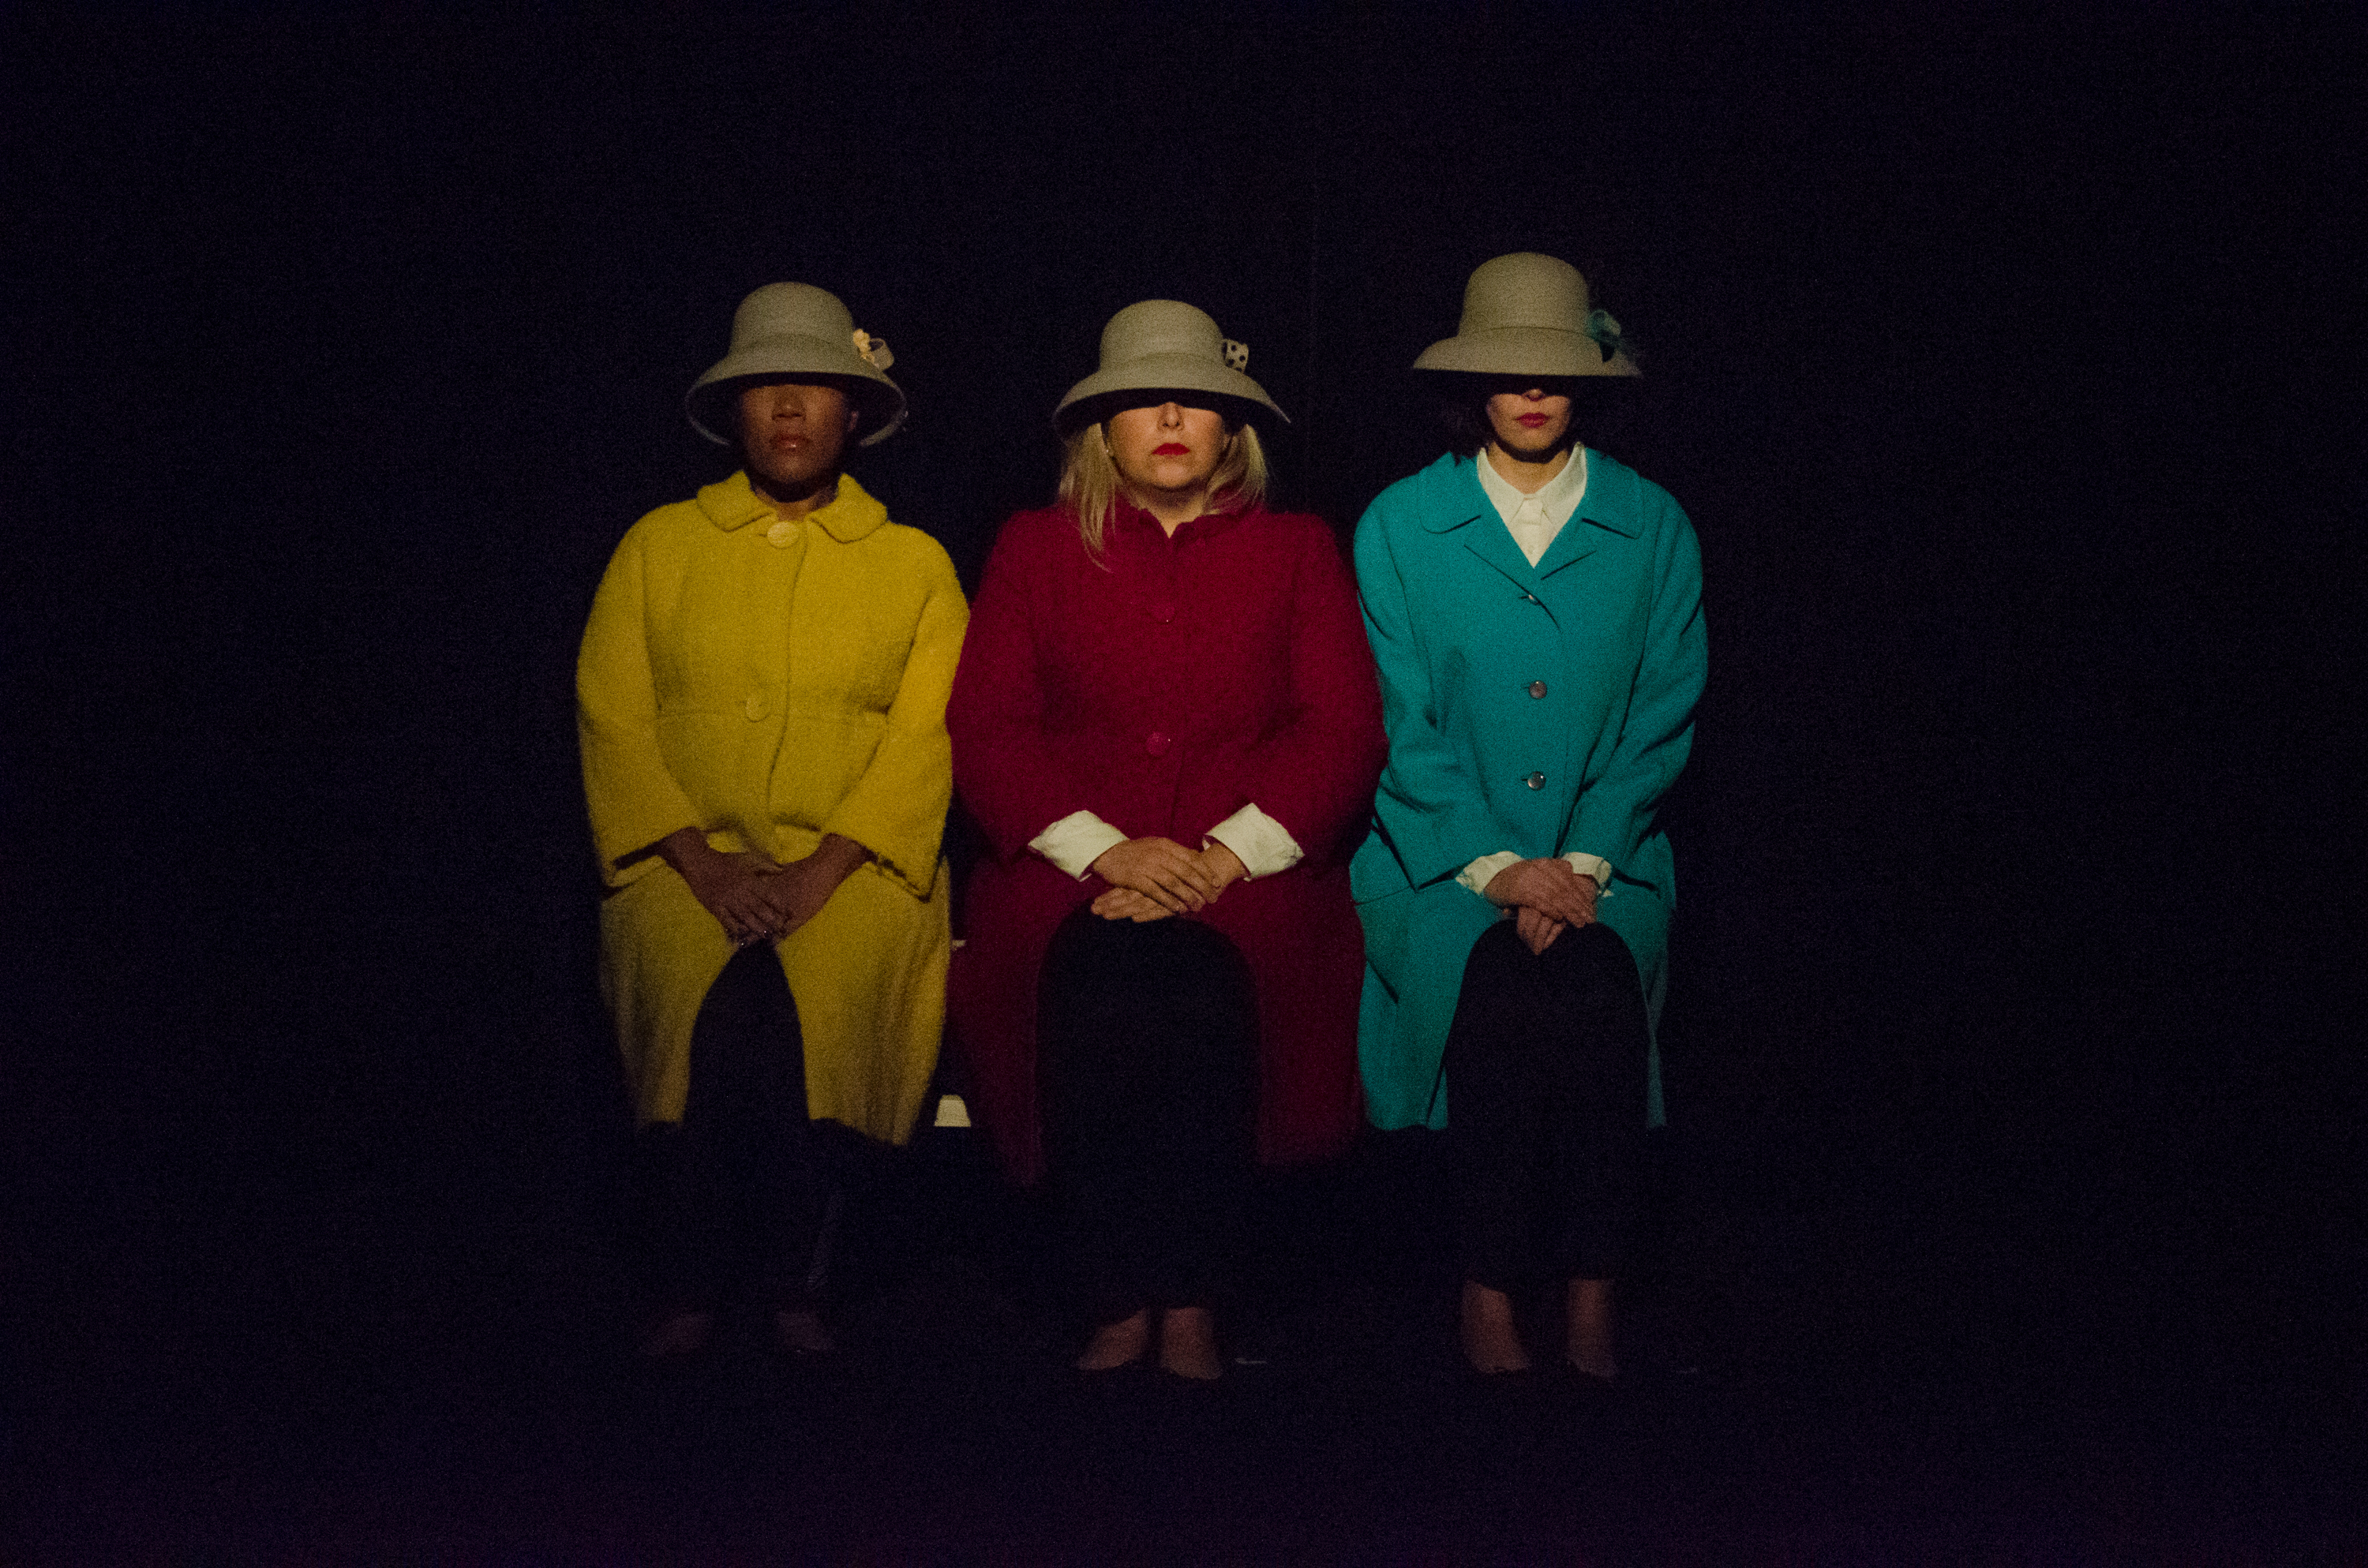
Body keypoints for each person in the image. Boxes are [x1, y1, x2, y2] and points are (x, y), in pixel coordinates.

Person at [949, 301, 1386, 1379]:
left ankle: (1192, 1298)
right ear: (1102, 432)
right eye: (1145, 401)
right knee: (1094, 992)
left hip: (1247, 871)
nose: (1174, 418)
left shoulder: (1297, 549)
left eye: (1198, 400)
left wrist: (1222, 858)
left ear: (1235, 428)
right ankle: (1114, 1293)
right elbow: (989, 726)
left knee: (1205, 1006)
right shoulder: (1035, 547)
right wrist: (1108, 852)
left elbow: (1341, 729)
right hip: (1075, 869)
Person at [577, 283, 968, 1359]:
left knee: (808, 1033)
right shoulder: (657, 545)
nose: (791, 407)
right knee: (706, 1031)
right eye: (766, 388)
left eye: (816, 387)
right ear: (733, 409)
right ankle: (687, 1286)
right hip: (679, 863)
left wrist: (820, 871)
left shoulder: (913, 562)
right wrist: (700, 864)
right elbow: (613, 715)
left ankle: (803, 1286)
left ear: (856, 410)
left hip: (856, 868)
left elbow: (926, 737)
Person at [1351, 253, 1706, 1379]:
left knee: (1597, 996)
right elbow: (1397, 721)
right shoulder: (1402, 524)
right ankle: (1490, 1290)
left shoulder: (1653, 525)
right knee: (1494, 994)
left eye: (1555, 367)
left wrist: (1583, 863)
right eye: (1509, 369)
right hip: (1439, 862)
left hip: (1610, 861)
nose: (1534, 390)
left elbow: (1661, 715)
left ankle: (1594, 1296)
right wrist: (1497, 867)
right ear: (1474, 382)